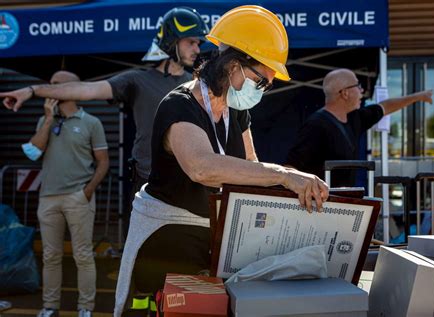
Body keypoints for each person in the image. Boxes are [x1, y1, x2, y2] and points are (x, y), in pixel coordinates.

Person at [113, 5, 329, 317]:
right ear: (233, 66)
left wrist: (293, 196)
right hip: (164, 239)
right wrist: (283, 174)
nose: (263, 89)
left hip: (209, 236)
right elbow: (202, 167)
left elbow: (252, 166)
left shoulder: (236, 111)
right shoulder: (179, 105)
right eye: (262, 80)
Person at [0, 7, 225, 239]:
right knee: (144, 255)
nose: (197, 50)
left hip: (188, 182)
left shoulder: (196, 85)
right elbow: (85, 89)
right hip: (147, 183)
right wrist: (32, 90)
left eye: (198, 44)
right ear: (171, 42)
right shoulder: (137, 80)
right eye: (191, 42)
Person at [22, 71, 109, 317]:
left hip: (78, 197)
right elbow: (33, 152)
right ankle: (50, 306)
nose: (50, 89)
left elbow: (103, 162)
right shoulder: (45, 120)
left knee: (83, 255)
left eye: (55, 85)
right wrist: (48, 119)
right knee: (50, 256)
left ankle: (86, 307)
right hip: (48, 197)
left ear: (72, 88)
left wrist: (88, 191)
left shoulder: (91, 122)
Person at [286, 68, 434, 187]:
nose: (362, 91)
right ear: (345, 93)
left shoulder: (355, 118)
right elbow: (290, 168)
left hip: (344, 204)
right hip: (319, 209)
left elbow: (385, 106)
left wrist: (418, 96)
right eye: (358, 86)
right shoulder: (316, 126)